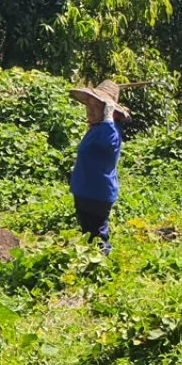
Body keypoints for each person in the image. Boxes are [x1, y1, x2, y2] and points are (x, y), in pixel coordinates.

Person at [68, 80, 129, 253]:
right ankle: (89, 263)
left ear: (107, 110)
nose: (90, 110)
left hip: (98, 192)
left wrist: (109, 118)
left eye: (96, 106)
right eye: (89, 106)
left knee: (97, 233)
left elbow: (109, 144)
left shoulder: (111, 130)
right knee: (87, 232)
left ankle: (101, 267)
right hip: (84, 190)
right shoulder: (96, 128)